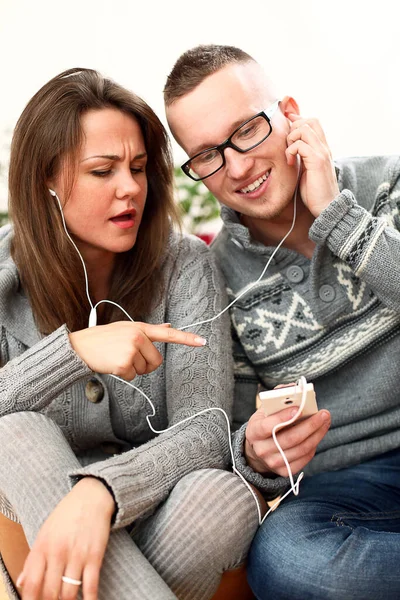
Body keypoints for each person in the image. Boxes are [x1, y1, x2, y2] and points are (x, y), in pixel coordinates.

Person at [0, 67, 260, 600]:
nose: (130, 189)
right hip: (31, 514)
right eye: (103, 171)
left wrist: (100, 492)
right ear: (45, 180)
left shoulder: (184, 264)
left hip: (148, 505)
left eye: (140, 168)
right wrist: (72, 352)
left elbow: (206, 429)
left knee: (223, 496)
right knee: (16, 429)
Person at [164, 44, 400, 599]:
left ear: (289, 113)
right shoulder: (214, 278)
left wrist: (338, 216)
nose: (237, 167)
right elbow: (238, 431)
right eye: (206, 155)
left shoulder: (386, 184)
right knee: (287, 559)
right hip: (345, 487)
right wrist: (255, 450)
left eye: (246, 130)